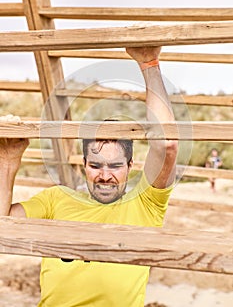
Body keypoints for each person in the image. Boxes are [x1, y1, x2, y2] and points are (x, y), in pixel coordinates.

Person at [0, 46, 178, 307]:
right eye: (96, 165)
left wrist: (149, 64)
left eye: (115, 166)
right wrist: (8, 162)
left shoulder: (146, 204)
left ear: (130, 165)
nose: (105, 175)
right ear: (84, 164)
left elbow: (167, 144)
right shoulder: (55, 199)